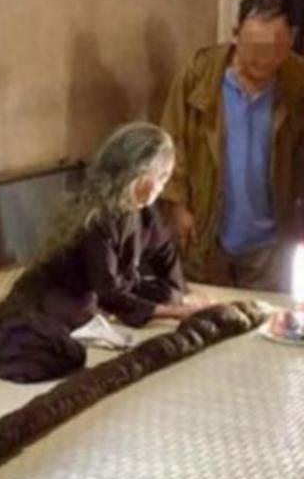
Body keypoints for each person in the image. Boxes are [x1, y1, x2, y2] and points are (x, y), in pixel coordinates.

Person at [160, 0, 304, 292]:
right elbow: (172, 139)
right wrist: (176, 205)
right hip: (207, 228)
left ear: (291, 39)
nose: (263, 62)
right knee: (206, 312)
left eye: (274, 50)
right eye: (254, 50)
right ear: (235, 34)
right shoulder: (199, 74)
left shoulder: (298, 83)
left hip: (272, 241)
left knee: (265, 315)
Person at [11, 122, 206, 329]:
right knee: (85, 309)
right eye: (162, 177)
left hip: (112, 286)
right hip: (68, 291)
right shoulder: (95, 217)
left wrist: (183, 295)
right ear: (138, 175)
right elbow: (108, 290)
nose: (163, 186)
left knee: (169, 295)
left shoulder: (143, 209)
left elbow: (164, 252)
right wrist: (174, 313)